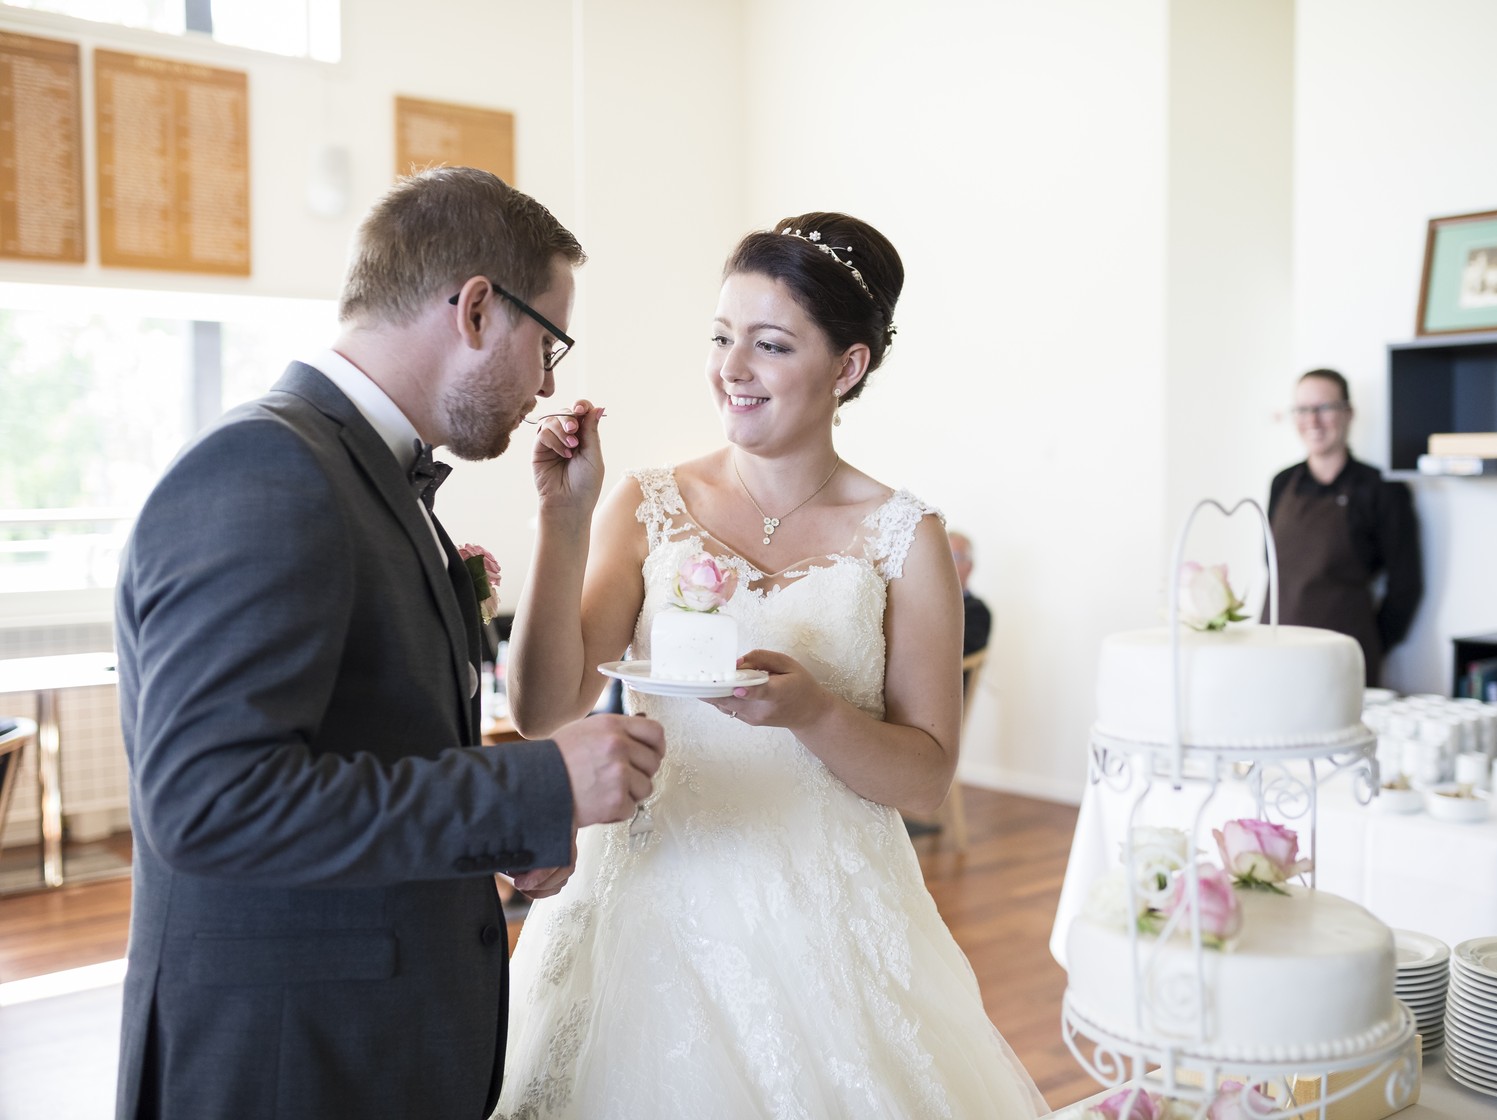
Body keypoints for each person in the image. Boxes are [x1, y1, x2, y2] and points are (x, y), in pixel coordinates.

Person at [113, 167, 666, 1120]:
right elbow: (210, 802)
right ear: (478, 310)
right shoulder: (266, 468)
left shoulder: (358, 469)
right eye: (548, 344)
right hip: (284, 1066)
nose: (546, 383)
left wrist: (508, 832)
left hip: (365, 1043)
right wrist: (537, 786)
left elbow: (373, 745)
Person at [495, 212, 1047, 1117]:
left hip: (830, 922)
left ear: (848, 366)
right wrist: (563, 521)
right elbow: (543, 708)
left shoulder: (905, 540)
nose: (732, 368)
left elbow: (926, 781)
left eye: (771, 344)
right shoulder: (647, 503)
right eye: (722, 337)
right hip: (648, 904)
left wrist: (816, 714)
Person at [1268, 368, 1422, 686]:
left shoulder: (1383, 489)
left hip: (1344, 657)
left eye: (1324, 407)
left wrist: (1369, 647)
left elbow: (1406, 586)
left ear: (1348, 413)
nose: (1313, 420)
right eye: (1302, 409)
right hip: (1276, 652)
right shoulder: (1282, 483)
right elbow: (1268, 561)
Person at [949, 530, 992, 657]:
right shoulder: (923, 603)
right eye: (943, 556)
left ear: (969, 566)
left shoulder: (978, 611)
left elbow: (957, 652)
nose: (947, 564)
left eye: (954, 557)